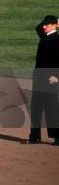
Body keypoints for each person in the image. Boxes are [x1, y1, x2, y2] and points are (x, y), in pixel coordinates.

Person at [27, 15, 59, 145]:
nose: (44, 26)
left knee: (51, 108)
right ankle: (35, 136)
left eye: (47, 24)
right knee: (36, 107)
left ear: (54, 25)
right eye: (44, 24)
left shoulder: (57, 39)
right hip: (39, 77)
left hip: (51, 78)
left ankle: (57, 137)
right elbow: (38, 28)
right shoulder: (45, 37)